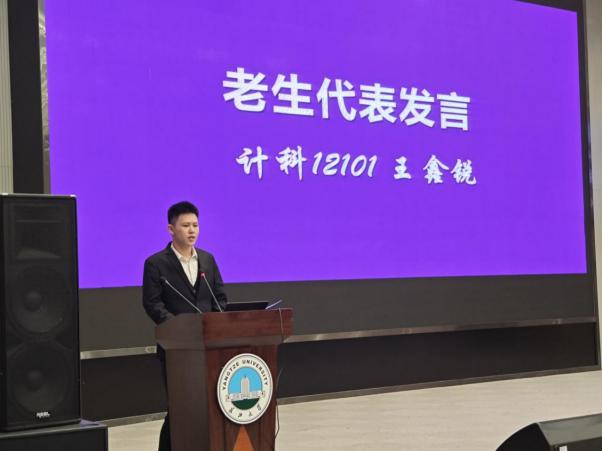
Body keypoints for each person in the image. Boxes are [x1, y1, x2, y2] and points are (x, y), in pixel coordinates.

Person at [142, 200, 227, 451]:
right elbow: (152, 303)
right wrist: (179, 328)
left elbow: (220, 298)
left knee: (209, 405)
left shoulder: (208, 260)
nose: (192, 230)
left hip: (209, 347)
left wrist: (215, 323)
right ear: (171, 229)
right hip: (176, 349)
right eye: (186, 225)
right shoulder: (156, 263)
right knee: (179, 408)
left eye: (195, 225)